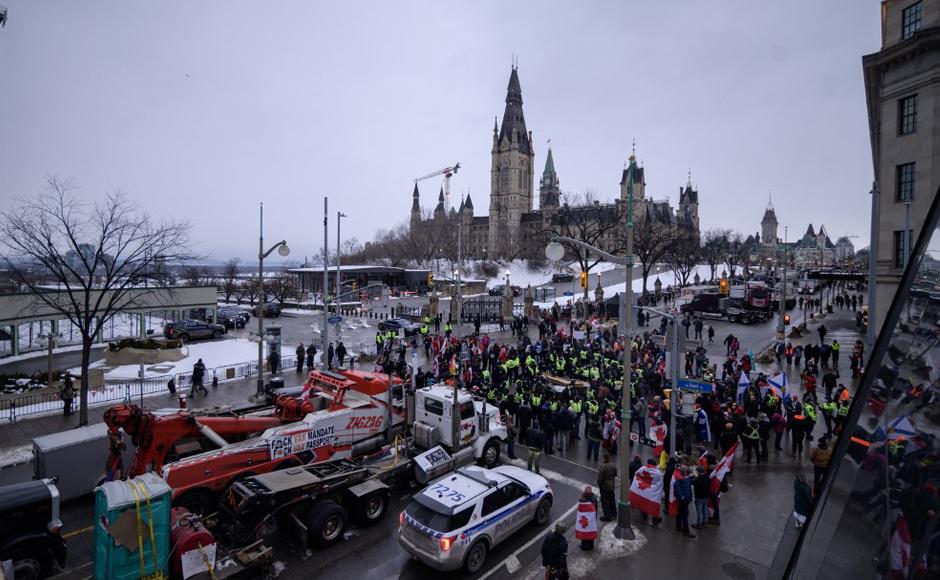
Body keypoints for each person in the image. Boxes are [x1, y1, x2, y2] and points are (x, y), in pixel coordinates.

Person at [674, 464, 695, 538]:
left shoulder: (683, 478)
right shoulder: (681, 479)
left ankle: (678, 526)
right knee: (685, 515)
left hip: (683, 499)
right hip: (684, 500)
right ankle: (686, 531)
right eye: (685, 469)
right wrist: (682, 497)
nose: (686, 470)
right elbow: (677, 488)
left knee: (679, 513)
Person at [576, 486, 599, 550]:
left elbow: (580, 507)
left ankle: (584, 546)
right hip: (591, 518)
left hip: (584, 519)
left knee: (584, 531)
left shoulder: (583, 499)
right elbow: (595, 508)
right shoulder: (594, 499)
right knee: (591, 530)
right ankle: (591, 545)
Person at [596, 453, 617, 521]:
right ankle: (614, 513)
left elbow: (600, 478)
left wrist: (599, 484)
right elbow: (615, 474)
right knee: (612, 499)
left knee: (605, 502)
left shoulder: (603, 467)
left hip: (604, 486)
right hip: (611, 485)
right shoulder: (613, 466)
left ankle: (607, 516)